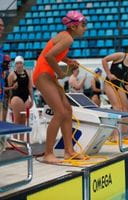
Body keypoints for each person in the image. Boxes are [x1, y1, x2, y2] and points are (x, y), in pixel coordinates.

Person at [32, 10, 87, 163]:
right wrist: (61, 73)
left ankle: (69, 151)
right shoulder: (67, 38)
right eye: (83, 24)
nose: (86, 27)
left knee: (67, 110)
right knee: (60, 112)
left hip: (47, 73)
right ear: (74, 26)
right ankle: (48, 154)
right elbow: (48, 56)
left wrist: (68, 61)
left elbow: (56, 54)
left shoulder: (66, 36)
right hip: (43, 74)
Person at [7, 56, 33, 140]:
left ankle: (21, 140)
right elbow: (9, 90)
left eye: (20, 63)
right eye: (17, 63)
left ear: (23, 64)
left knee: (23, 120)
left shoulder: (27, 73)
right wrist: (9, 101)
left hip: (25, 98)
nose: (19, 65)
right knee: (17, 119)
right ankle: (15, 139)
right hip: (16, 98)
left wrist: (32, 99)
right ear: (15, 64)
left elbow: (30, 88)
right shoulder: (12, 74)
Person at [2, 55, 18, 121]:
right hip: (3, 97)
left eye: (9, 63)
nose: (8, 64)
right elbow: (2, 88)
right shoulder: (3, 73)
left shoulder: (9, 73)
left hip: (6, 96)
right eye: (6, 63)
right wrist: (12, 87)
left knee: (4, 116)